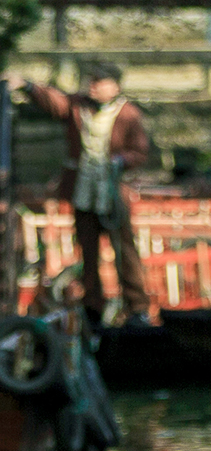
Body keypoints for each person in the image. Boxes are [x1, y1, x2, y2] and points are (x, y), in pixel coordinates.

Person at [20, 62, 150, 329]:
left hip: (112, 192)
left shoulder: (128, 114)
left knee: (124, 250)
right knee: (88, 251)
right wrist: (29, 87)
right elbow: (54, 102)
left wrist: (119, 161)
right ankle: (93, 306)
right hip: (84, 192)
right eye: (91, 81)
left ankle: (137, 307)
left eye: (99, 82)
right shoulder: (79, 106)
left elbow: (139, 152)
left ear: (115, 86)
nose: (93, 86)